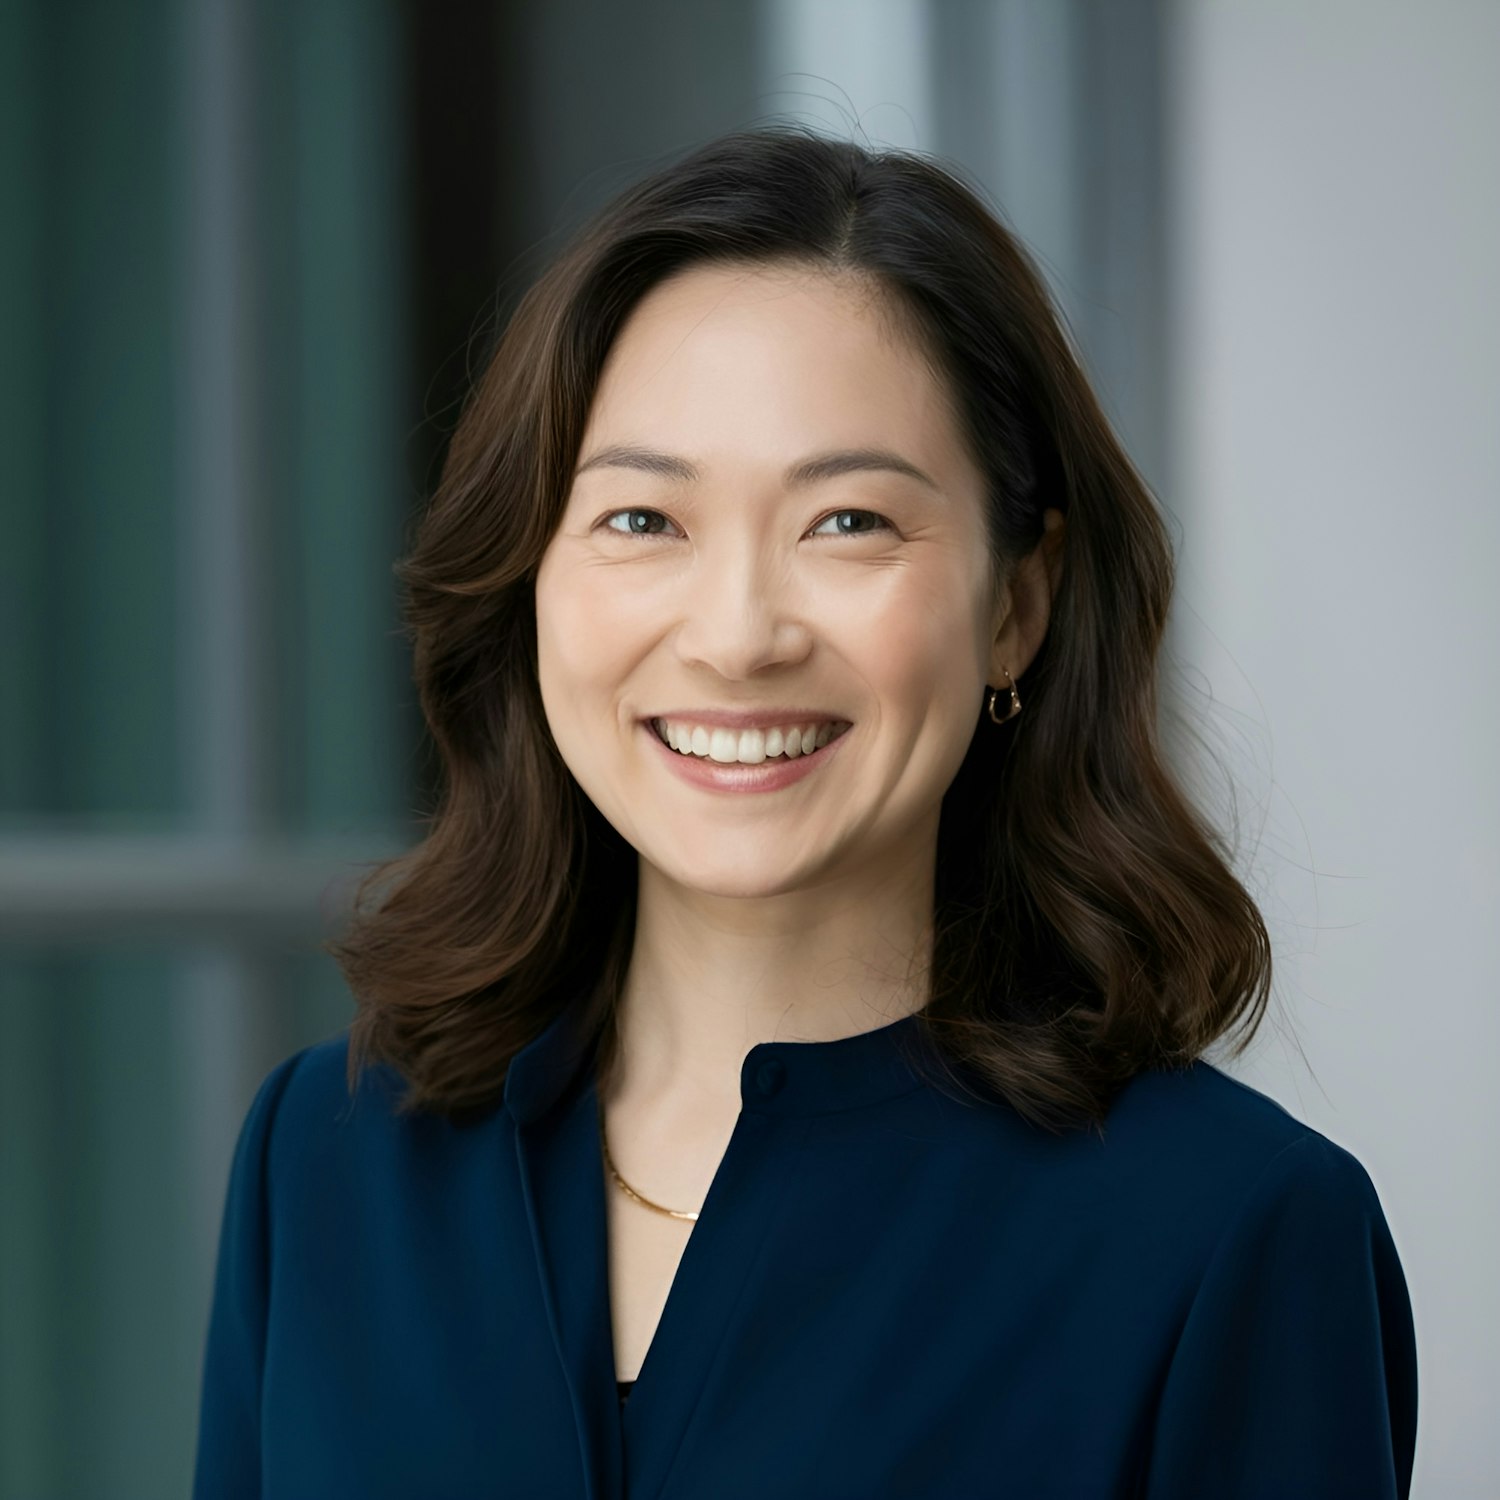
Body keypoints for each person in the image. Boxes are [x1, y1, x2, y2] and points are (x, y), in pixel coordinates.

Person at [190, 124, 1418, 1499]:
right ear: (531, 577)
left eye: (848, 525)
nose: (737, 635)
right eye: (643, 521)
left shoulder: (1231, 1235)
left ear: (1017, 604)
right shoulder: (330, 1160)